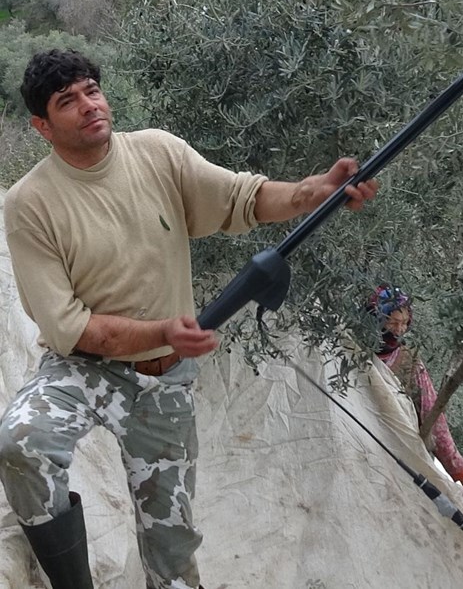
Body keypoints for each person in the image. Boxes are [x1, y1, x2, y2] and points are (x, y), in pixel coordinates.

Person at [0, 49, 379, 589]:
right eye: (68, 101)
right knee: (21, 441)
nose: (88, 105)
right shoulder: (29, 202)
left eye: (92, 90)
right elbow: (70, 328)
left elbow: (243, 198)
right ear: (42, 126)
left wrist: (315, 191)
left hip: (164, 381)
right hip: (80, 371)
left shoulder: (157, 153)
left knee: (172, 554)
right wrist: (161, 331)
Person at [365, 284, 463, 499]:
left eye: (405, 323)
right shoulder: (350, 349)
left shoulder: (410, 363)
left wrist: (461, 473)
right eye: (393, 321)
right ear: (377, 317)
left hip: (392, 461)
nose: (399, 330)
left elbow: (435, 421)